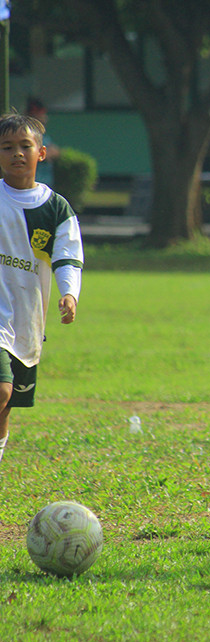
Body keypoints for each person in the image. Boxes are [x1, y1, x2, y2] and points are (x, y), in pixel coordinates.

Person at [0, 112, 83, 468]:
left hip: (25, 319)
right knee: (0, 390)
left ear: (42, 153)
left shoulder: (55, 208)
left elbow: (67, 256)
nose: (17, 153)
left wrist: (69, 293)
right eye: (7, 147)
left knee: (5, 405)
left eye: (25, 146)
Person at [25, 98, 60, 187]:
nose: (45, 117)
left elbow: (55, 151)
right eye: (41, 114)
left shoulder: (43, 136)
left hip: (46, 184)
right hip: (31, 183)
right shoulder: (26, 134)